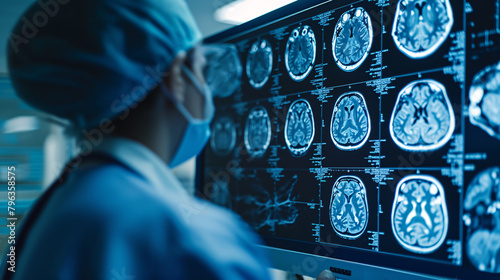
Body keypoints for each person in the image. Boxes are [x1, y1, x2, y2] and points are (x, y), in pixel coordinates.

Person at [3, 0, 336, 279]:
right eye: (202, 70)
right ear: (177, 75)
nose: (207, 91)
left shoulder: (48, 209)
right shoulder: (192, 238)